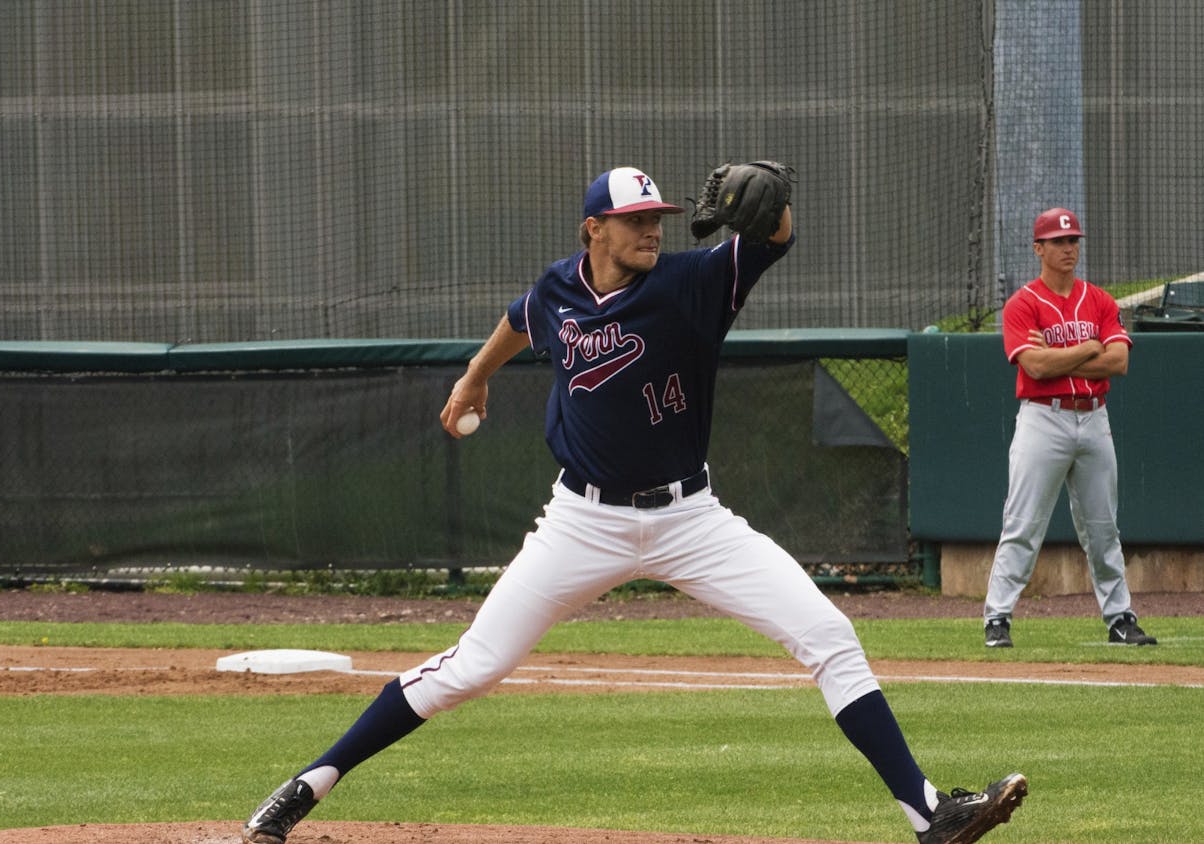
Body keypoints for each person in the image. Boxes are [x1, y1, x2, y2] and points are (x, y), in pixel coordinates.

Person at [240, 165, 1026, 844]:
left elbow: (775, 239)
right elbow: (523, 317)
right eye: (635, 221)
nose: (653, 229)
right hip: (582, 522)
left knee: (827, 632)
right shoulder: (559, 287)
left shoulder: (689, 283)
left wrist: (774, 205)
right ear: (594, 231)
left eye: (657, 218)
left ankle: (930, 816)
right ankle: (312, 782)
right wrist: (476, 375)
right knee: (473, 668)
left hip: (692, 521)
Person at [983, 207, 1156, 648]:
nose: (1068, 248)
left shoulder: (1098, 299)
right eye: (1059, 241)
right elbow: (1035, 366)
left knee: (1103, 528)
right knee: (1022, 523)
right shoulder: (1022, 303)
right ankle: (997, 618)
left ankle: (1120, 619)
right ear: (1038, 248)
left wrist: (1068, 354)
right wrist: (1088, 346)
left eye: (1073, 240)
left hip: (1095, 417)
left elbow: (1118, 361)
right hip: (1044, 418)